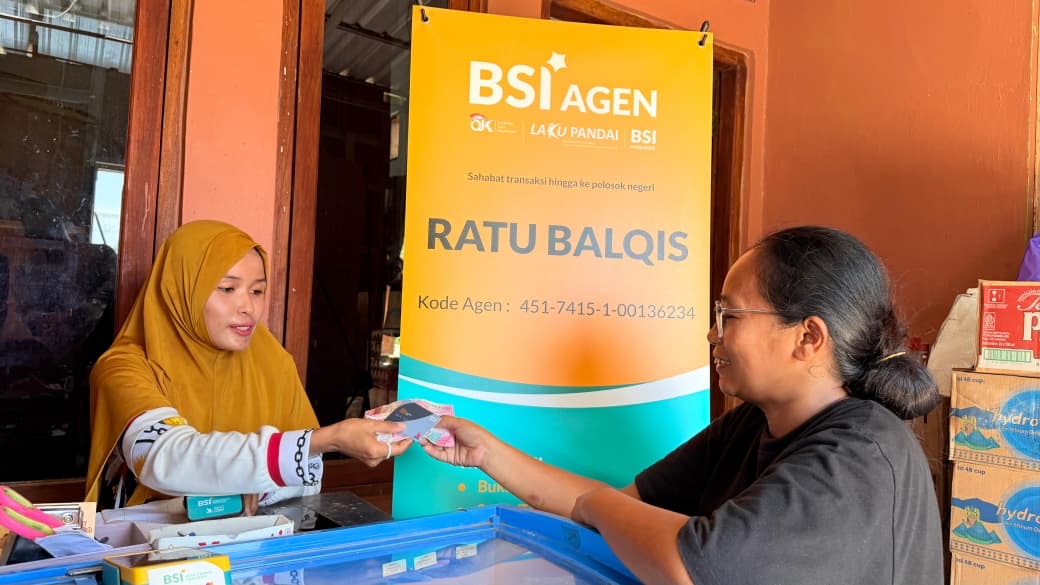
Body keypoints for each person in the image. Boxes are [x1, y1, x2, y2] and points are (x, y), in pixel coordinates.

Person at [422, 225, 943, 585]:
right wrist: (486, 452)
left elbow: (691, 566)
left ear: (807, 337)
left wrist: (597, 506)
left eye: (729, 317)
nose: (713, 335)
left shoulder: (860, 455)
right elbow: (625, 503)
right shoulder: (753, 422)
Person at [86, 220, 411, 511]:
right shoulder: (124, 369)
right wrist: (328, 439)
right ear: (181, 289)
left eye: (257, 291)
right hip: (151, 551)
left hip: (255, 548)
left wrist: (253, 486)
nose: (248, 307)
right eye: (227, 289)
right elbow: (163, 457)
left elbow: (308, 475)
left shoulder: (273, 363)